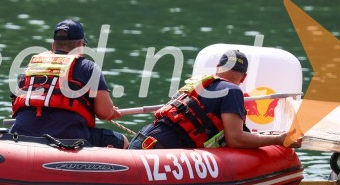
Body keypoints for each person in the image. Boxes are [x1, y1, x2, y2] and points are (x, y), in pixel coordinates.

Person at [129, 50, 303, 150]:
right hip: (161, 154)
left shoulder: (198, 83)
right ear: (244, 77)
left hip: (142, 140)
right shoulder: (233, 91)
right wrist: (280, 139)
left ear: (218, 68)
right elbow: (236, 139)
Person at [11, 19, 128, 148]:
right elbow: (104, 112)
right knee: (122, 141)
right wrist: (111, 112)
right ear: (79, 44)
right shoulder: (89, 68)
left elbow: (16, 100)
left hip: (22, 135)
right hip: (70, 138)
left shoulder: (33, 66)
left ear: (53, 45)